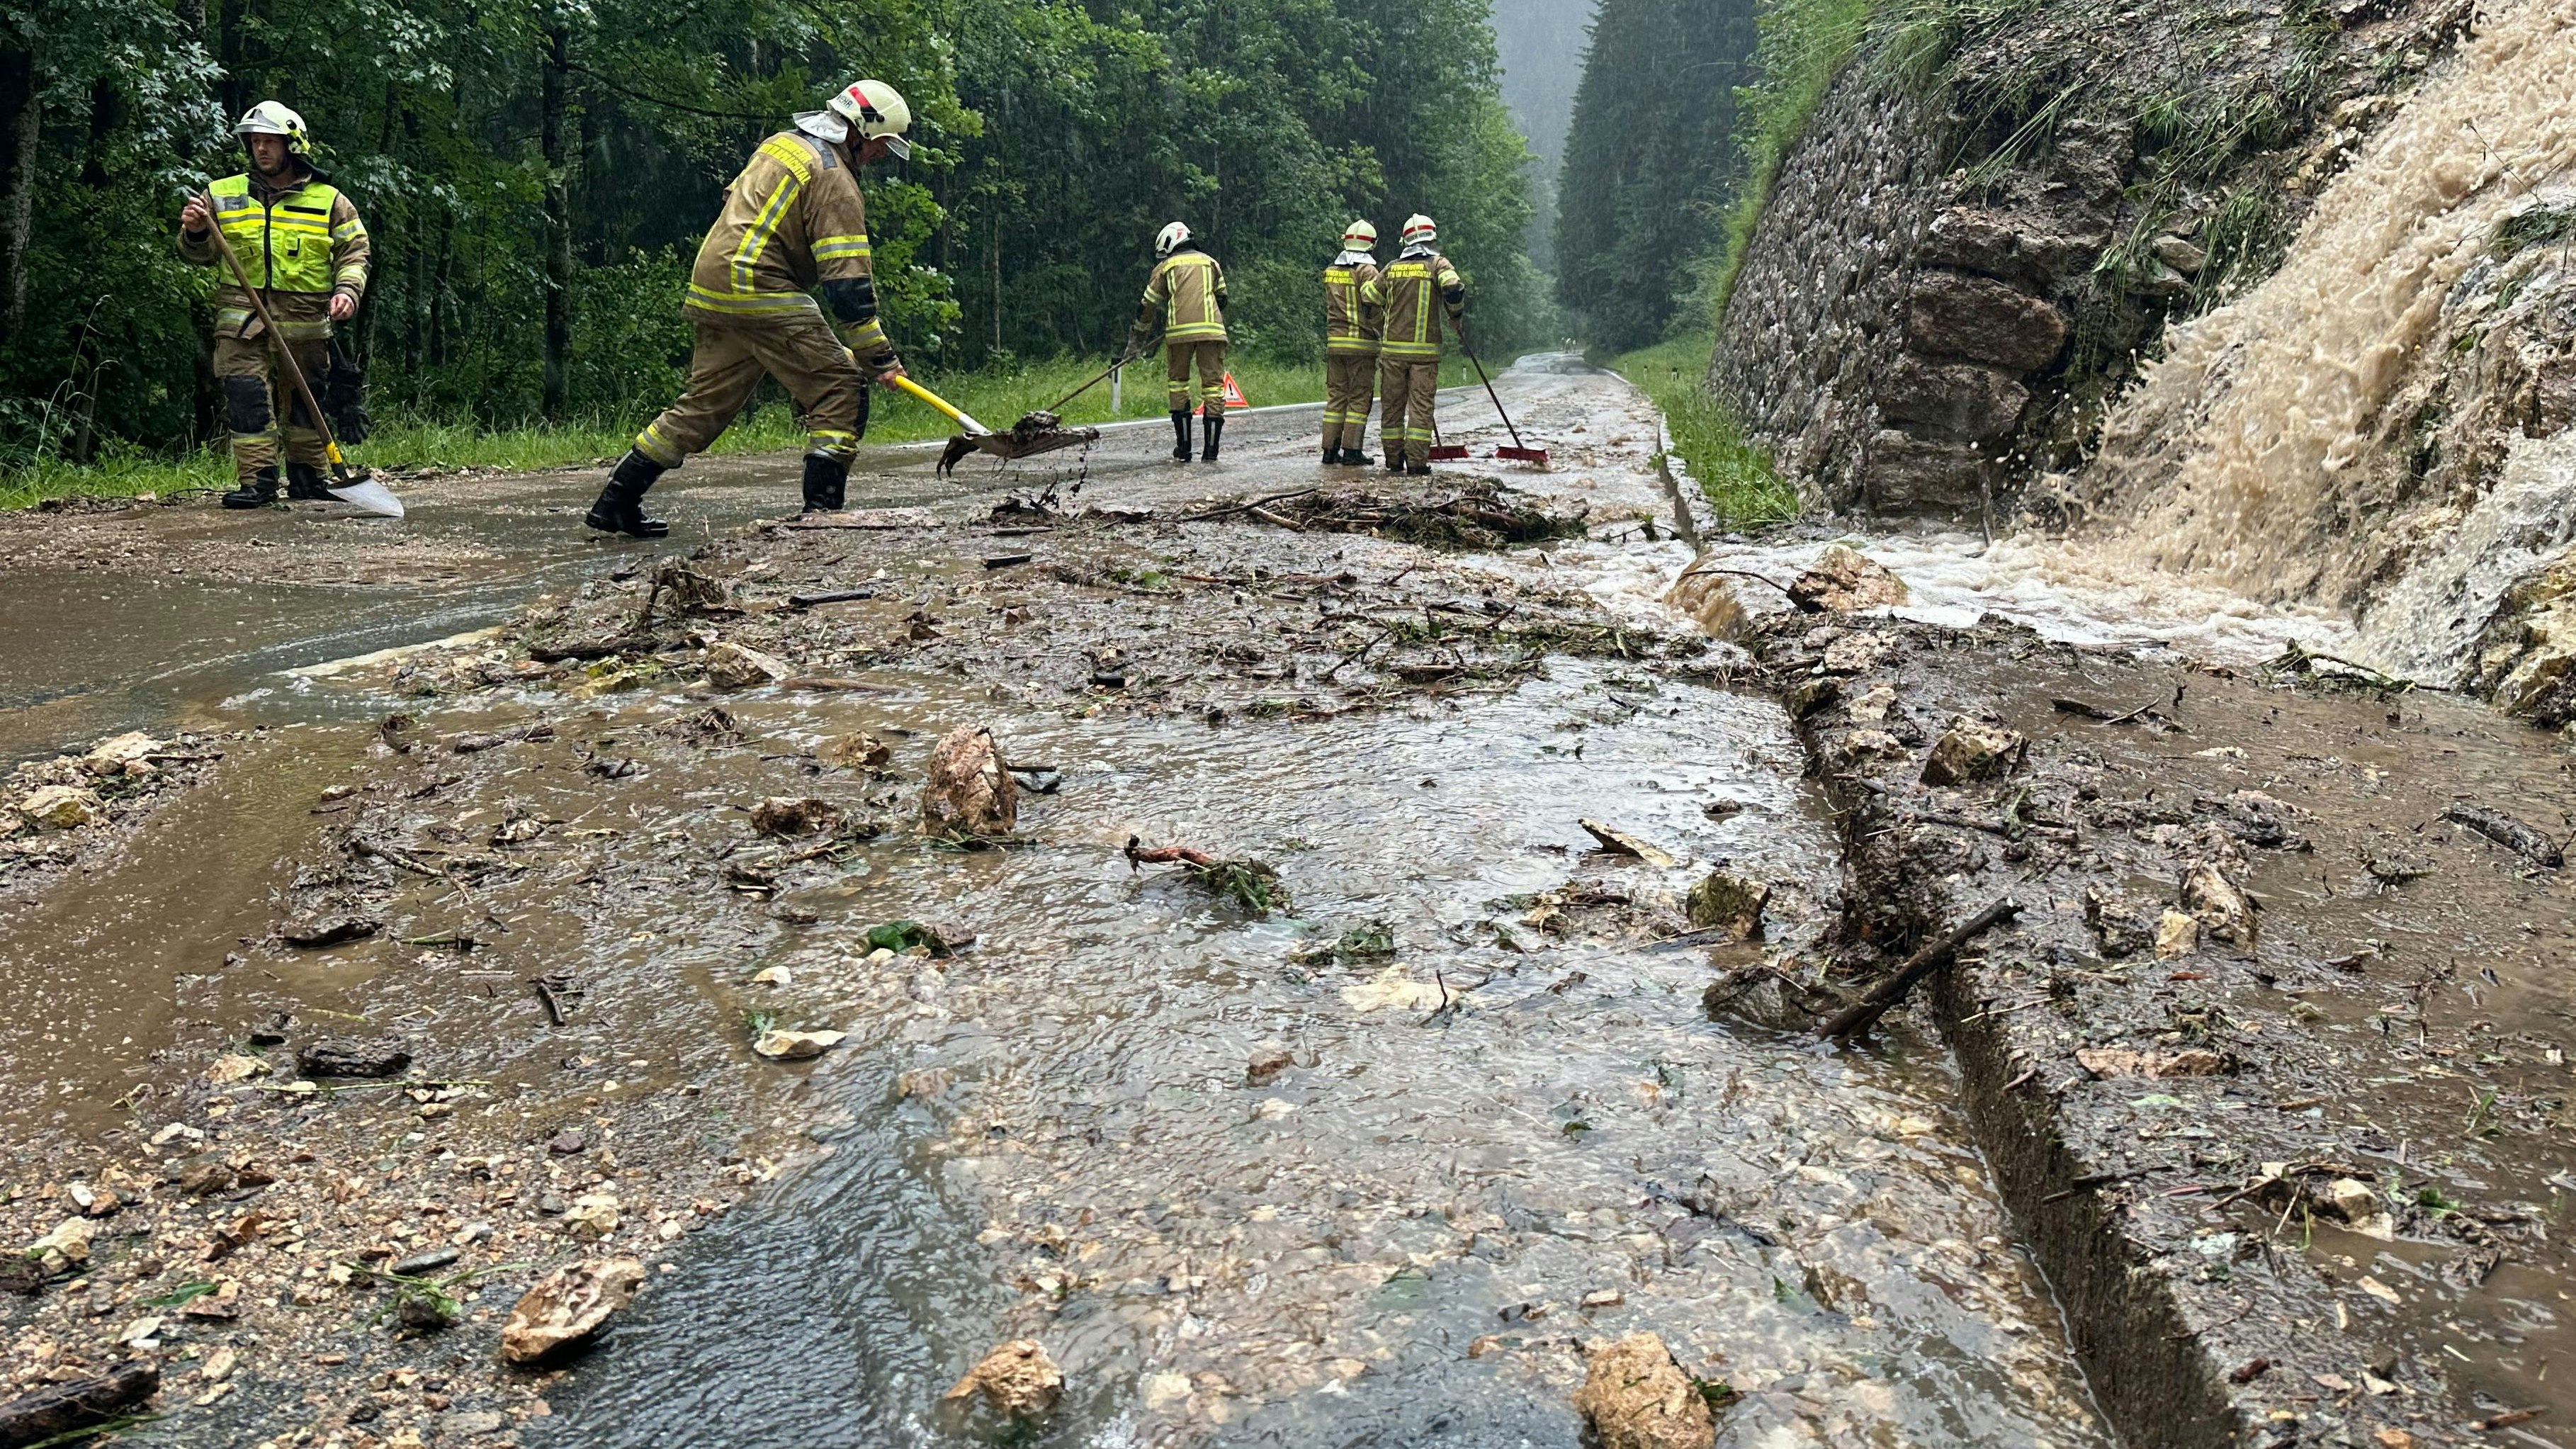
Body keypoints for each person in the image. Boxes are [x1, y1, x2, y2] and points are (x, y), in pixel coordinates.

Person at [586, 79, 914, 537]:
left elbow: (733, 203)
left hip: (714, 281)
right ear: (859, 133)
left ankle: (615, 502)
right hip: (758, 285)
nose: (881, 157)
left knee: (702, 407)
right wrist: (878, 356)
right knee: (840, 386)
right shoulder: (835, 180)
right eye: (881, 146)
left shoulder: (782, 145)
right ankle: (822, 516)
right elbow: (848, 285)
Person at [179, 103, 371, 509]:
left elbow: (355, 252)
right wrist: (195, 232)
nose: (260, 149)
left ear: (292, 145)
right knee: (246, 398)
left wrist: (347, 292)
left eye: (270, 141)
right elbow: (199, 254)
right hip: (240, 323)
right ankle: (257, 483)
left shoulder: (330, 201)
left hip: (305, 323)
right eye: (255, 141)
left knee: (307, 401)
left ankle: (308, 478)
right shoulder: (221, 194)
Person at [1363, 213, 1464, 475]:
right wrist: (1456, 316)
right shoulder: (1438, 264)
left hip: (1392, 353)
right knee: (1420, 407)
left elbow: (1370, 299)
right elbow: (1453, 288)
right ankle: (1417, 463)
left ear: (1405, 240)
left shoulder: (1392, 268)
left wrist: (1380, 323)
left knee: (1392, 407)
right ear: (1431, 239)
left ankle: (1393, 460)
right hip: (1424, 354)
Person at [1127, 222, 1229, 463]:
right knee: (1213, 388)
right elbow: (1222, 298)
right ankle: (1211, 452)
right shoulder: (1211, 263)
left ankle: (1184, 450)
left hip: (1178, 334)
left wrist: (1137, 341)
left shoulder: (1166, 267)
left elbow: (1146, 306)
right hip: (1212, 332)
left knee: (1178, 385)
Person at [1321, 220, 1382, 466]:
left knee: (1336, 399)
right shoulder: (1368, 272)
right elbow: (1371, 304)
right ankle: (1352, 451)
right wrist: (1383, 328)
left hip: (1335, 343)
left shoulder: (1331, 270)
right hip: (1361, 345)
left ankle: (1329, 450)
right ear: (1371, 244)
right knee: (1359, 399)